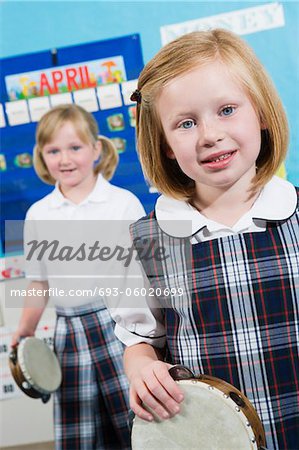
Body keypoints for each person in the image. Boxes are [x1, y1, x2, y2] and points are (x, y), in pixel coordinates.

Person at [112, 29, 299, 450]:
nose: (209, 134)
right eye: (186, 123)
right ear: (165, 147)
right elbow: (142, 340)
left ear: (263, 113)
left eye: (227, 109)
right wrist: (140, 368)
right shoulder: (145, 242)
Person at [11, 104, 145, 450]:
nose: (64, 159)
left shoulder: (123, 203)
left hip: (120, 329)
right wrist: (24, 331)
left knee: (137, 425)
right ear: (41, 156)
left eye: (75, 147)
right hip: (68, 331)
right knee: (81, 433)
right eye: (53, 150)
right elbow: (39, 283)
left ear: (96, 149)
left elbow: (143, 278)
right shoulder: (38, 214)